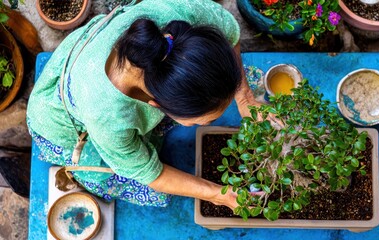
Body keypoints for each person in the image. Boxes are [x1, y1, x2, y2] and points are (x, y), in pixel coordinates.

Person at [27, 0, 257, 210]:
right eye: (205, 120)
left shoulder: (177, 14)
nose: (208, 122)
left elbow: (228, 29)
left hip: (90, 67)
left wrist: (246, 98)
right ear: (156, 105)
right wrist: (217, 194)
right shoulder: (108, 117)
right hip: (62, 124)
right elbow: (149, 173)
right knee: (153, 193)